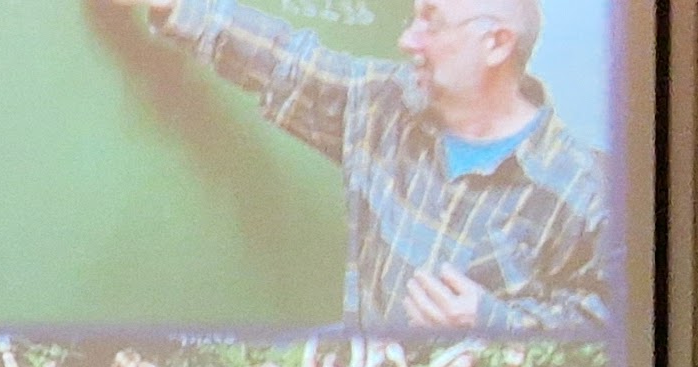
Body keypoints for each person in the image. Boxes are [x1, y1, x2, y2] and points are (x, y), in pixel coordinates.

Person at [107, 0, 608, 333]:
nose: (407, 40)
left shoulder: (584, 191)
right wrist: (174, 4)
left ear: (496, 43)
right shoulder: (386, 104)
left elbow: (614, 324)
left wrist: (492, 323)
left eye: (430, 22)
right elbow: (286, 64)